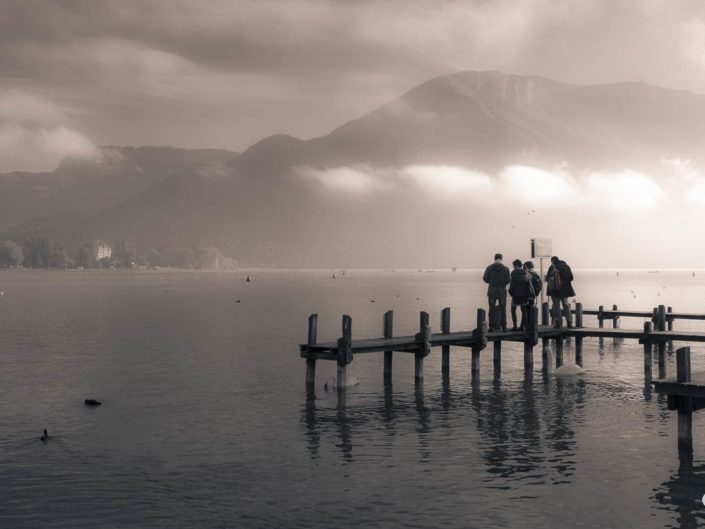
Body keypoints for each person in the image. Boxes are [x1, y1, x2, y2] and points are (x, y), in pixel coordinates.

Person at [483, 253, 510, 331]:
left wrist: (491, 281)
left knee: (491, 309)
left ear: (494, 259)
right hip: (502, 291)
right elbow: (508, 280)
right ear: (501, 259)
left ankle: (491, 327)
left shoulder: (489, 268)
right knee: (503, 309)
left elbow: (485, 278)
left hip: (492, 291)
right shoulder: (505, 269)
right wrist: (502, 283)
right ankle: (504, 326)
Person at [546, 255, 575, 328]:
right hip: (565, 290)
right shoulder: (566, 266)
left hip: (555, 290)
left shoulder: (552, 267)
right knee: (566, 305)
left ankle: (558, 323)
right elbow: (571, 278)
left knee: (556, 306)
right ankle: (569, 322)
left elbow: (547, 278)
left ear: (553, 260)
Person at [508, 259, 530, 331]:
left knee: (513, 310)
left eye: (513, 265)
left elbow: (512, 285)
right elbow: (528, 285)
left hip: (516, 295)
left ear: (516, 265)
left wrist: (510, 292)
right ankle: (522, 326)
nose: (513, 267)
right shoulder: (526, 273)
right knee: (524, 310)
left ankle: (515, 326)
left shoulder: (513, 273)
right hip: (524, 295)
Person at [524, 261, 542, 327]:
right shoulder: (535, 273)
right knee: (531, 309)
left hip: (528, 295)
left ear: (526, 266)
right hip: (534, 294)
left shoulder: (528, 274)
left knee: (527, 310)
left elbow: (525, 283)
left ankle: (528, 325)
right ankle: (533, 324)